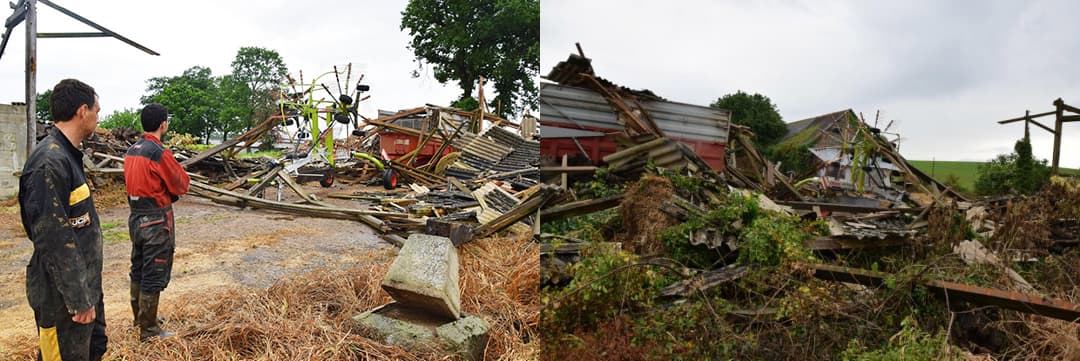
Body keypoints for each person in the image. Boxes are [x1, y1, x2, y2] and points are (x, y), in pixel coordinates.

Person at [19, 79, 107, 361]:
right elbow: (53, 239)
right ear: (83, 111)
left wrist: (88, 292)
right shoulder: (49, 163)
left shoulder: (68, 156)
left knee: (93, 349)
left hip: (84, 284)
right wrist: (78, 299)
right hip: (62, 297)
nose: (98, 116)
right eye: (97, 110)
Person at [123, 103, 189, 341]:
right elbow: (181, 184)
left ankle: (140, 318)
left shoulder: (132, 150)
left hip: (135, 217)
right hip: (156, 221)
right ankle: (149, 330)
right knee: (153, 271)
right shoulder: (159, 153)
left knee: (138, 268)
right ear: (163, 124)